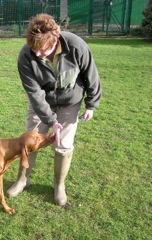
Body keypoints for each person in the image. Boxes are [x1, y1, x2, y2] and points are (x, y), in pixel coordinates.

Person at [6, 14, 102, 206]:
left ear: (55, 39)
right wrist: (51, 121)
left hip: (70, 102)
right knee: (30, 140)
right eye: (36, 51)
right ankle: (22, 180)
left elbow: (91, 75)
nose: (39, 55)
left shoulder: (76, 46)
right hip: (41, 104)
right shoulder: (26, 55)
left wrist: (91, 104)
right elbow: (34, 92)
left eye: (44, 50)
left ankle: (59, 187)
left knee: (63, 144)